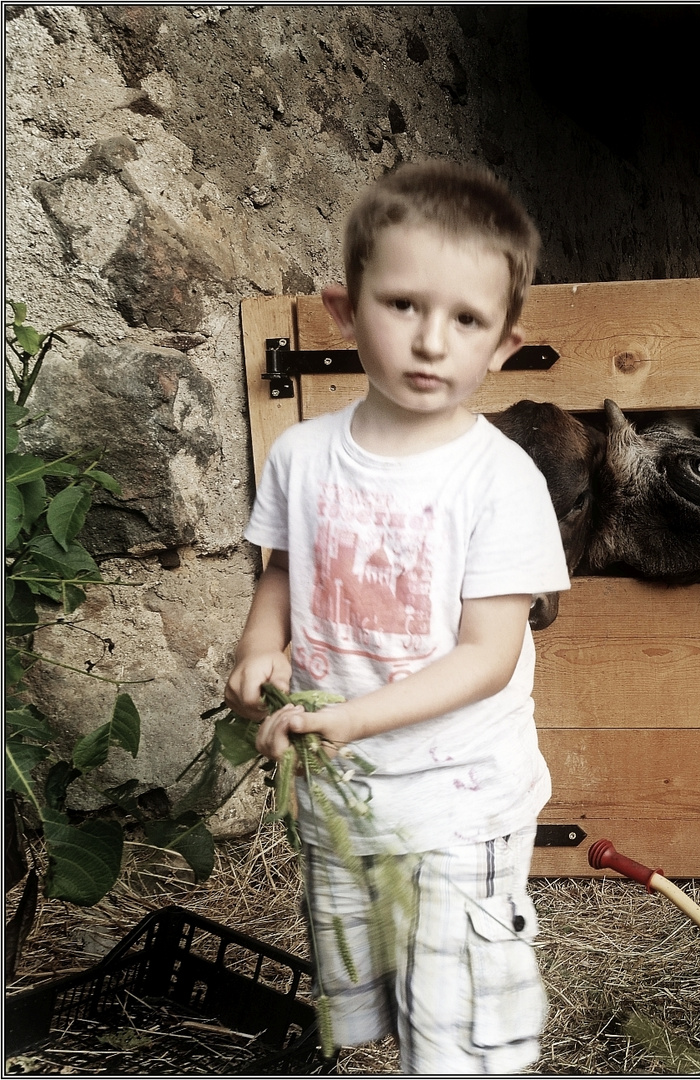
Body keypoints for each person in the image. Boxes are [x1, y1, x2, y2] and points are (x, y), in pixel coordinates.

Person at [224, 160, 569, 1073]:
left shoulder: (500, 480)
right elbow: (285, 571)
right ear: (344, 310)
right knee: (368, 988)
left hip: (459, 796)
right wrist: (262, 648)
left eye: (466, 320)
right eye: (403, 304)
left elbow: (487, 657)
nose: (430, 341)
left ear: (502, 344)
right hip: (344, 789)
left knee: (456, 1029)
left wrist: (351, 717)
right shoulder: (302, 455)